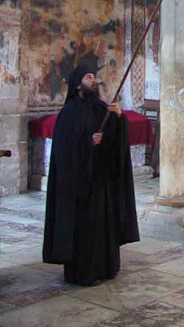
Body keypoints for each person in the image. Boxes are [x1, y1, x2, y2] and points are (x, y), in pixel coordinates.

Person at [43, 65, 139, 286]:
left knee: (102, 227)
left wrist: (119, 117)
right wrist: (88, 143)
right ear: (78, 84)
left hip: (100, 182)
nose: (94, 81)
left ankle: (105, 268)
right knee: (83, 230)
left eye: (94, 77)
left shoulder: (101, 108)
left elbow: (115, 141)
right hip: (79, 188)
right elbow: (64, 152)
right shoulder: (69, 113)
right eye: (88, 78)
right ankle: (83, 272)